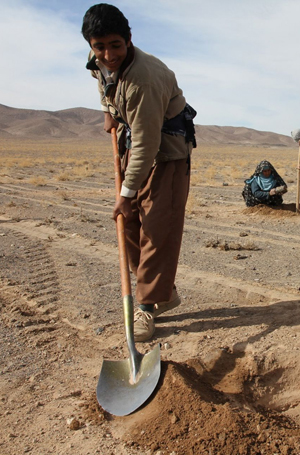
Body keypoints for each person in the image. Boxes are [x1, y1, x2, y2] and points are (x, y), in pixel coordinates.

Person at [82, 4, 196, 341]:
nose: (108, 54)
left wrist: (125, 194)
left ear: (129, 40)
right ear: (91, 45)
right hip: (135, 144)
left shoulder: (143, 79)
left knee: (157, 230)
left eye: (115, 45)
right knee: (128, 223)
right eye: (100, 46)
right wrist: (108, 111)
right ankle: (161, 288)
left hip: (167, 154)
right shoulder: (98, 61)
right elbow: (101, 81)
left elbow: (148, 143)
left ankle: (147, 306)